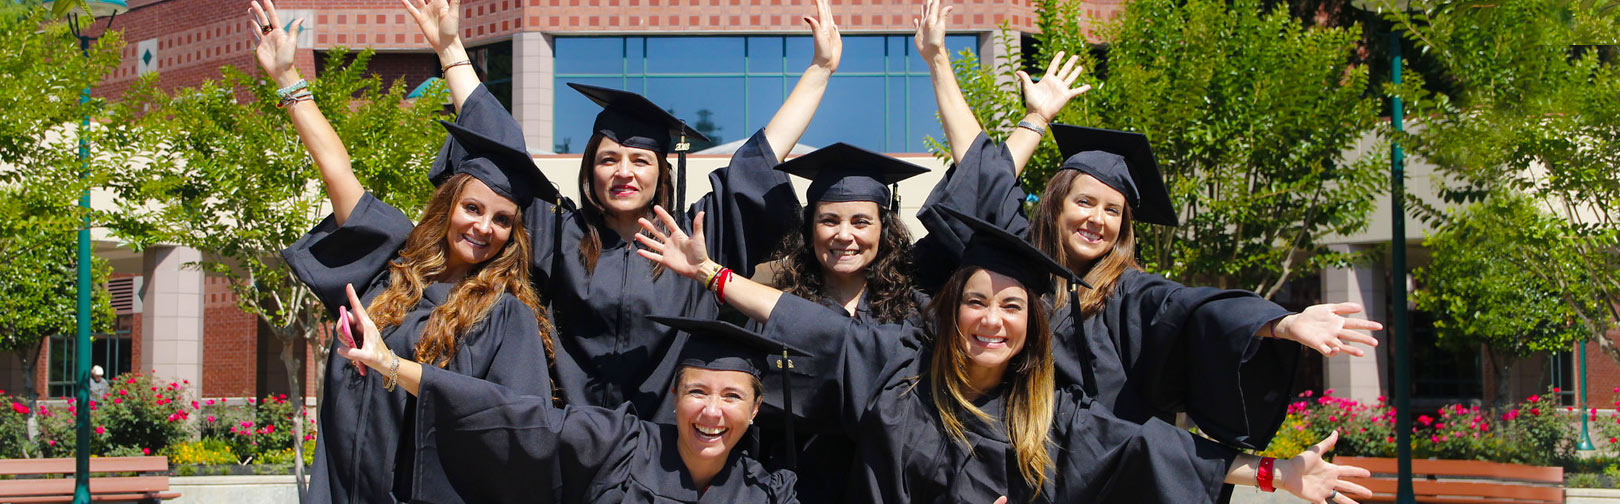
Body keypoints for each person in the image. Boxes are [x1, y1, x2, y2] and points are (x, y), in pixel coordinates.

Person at [636, 204, 1372, 503]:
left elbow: (1152, 451)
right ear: (951, 311)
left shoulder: (1050, 416)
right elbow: (811, 325)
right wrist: (709, 274)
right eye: (977, 302)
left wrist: (1279, 472)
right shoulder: (896, 364)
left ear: (1032, 326)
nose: (993, 320)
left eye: (1013, 306)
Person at [913, 0, 1382, 459]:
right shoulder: (1017, 272)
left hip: (1106, 478)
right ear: (1055, 206)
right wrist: (948, 67)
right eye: (1084, 202)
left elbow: (1193, 308)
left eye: (1113, 211)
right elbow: (984, 175)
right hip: (1004, 470)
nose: (1098, 219)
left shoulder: (1130, 294)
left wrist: (1280, 324)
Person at [400, 0, 840, 420]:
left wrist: (819, 71)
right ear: (590, 170)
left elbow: (756, 163)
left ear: (661, 173)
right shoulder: (558, 233)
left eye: (640, 160)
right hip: (569, 441)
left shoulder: (697, 238)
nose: (623, 172)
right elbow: (500, 142)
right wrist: (451, 50)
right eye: (608, 160)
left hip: (667, 452)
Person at [253, 1, 556, 502]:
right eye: (473, 208)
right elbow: (338, 173)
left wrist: (452, 50)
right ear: (448, 204)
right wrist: (288, 78)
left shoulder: (506, 318)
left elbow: (516, 425)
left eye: (502, 220)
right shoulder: (391, 260)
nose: (484, 227)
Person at [331, 283, 804, 503]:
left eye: (733, 396)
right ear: (676, 396)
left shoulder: (772, 493)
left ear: (757, 408)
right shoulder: (618, 445)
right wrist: (391, 364)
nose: (712, 411)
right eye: (697, 391)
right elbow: (512, 415)